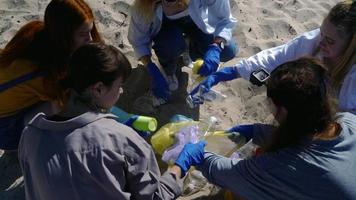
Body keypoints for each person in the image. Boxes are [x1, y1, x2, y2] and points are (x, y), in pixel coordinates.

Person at [18, 42, 207, 200]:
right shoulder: (123, 140)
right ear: (98, 89)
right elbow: (155, 196)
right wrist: (181, 165)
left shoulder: (30, 134)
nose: (121, 92)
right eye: (119, 86)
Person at [181, 58, 356, 199]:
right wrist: (256, 131)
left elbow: (224, 172)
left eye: (269, 101)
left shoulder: (277, 167)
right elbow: (305, 139)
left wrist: (196, 155)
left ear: (284, 111)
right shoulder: (348, 122)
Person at [190, 0, 356, 114]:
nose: (321, 42)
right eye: (321, 33)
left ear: (350, 46)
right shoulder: (313, 42)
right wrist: (227, 73)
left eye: (330, 40)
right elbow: (276, 57)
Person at [0, 0, 102, 150]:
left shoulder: (36, 30)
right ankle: (23, 141)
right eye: (82, 34)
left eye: (90, 30)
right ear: (64, 37)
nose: (90, 38)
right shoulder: (42, 74)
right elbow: (63, 104)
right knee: (59, 106)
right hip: (5, 128)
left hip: (11, 98)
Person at [128, 0, 238, 105]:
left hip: (197, 23)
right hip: (166, 30)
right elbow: (138, 41)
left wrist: (216, 46)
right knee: (169, 46)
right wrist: (151, 67)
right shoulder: (143, 5)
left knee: (228, 51)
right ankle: (168, 67)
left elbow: (225, 19)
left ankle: (190, 51)